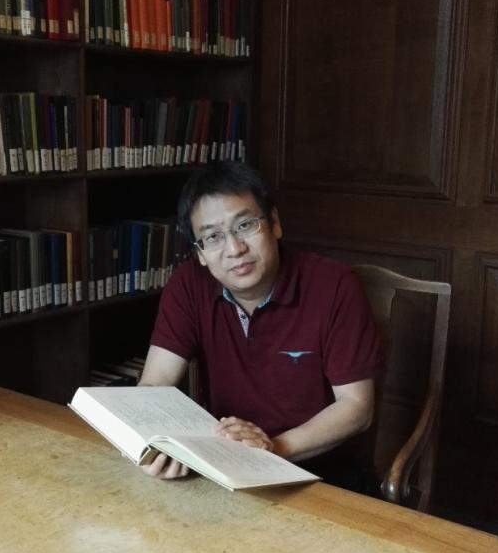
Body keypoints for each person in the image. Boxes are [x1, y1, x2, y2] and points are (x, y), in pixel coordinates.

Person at [137, 161, 384, 491]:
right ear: (200, 253)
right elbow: (156, 382)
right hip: (224, 468)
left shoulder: (334, 285)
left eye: (244, 226)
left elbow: (356, 407)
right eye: (213, 237)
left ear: (274, 224)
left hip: (321, 477)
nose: (234, 249)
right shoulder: (189, 285)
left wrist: (273, 448)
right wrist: (153, 441)